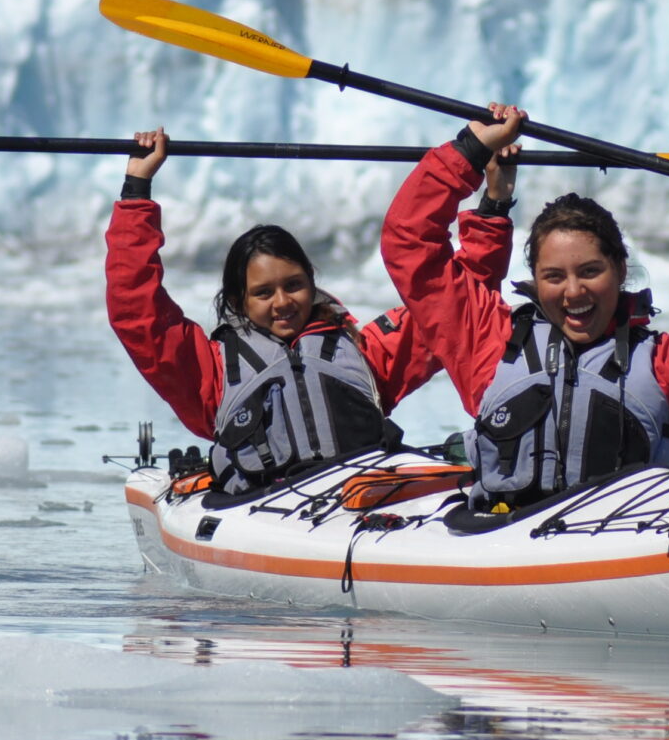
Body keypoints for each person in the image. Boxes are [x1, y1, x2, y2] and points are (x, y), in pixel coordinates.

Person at [381, 104, 669, 514]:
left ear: (621, 271)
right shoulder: (487, 342)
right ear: (536, 282)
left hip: (620, 541)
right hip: (498, 536)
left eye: (590, 271)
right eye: (554, 277)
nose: (573, 292)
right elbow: (409, 242)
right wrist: (469, 151)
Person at [107, 130, 519, 495]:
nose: (283, 302)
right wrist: (136, 191)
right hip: (260, 512)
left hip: (360, 499)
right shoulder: (211, 374)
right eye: (263, 293)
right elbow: (136, 309)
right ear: (238, 302)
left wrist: (494, 205)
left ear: (312, 282)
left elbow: (457, 298)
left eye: (294, 285)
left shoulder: (365, 352)